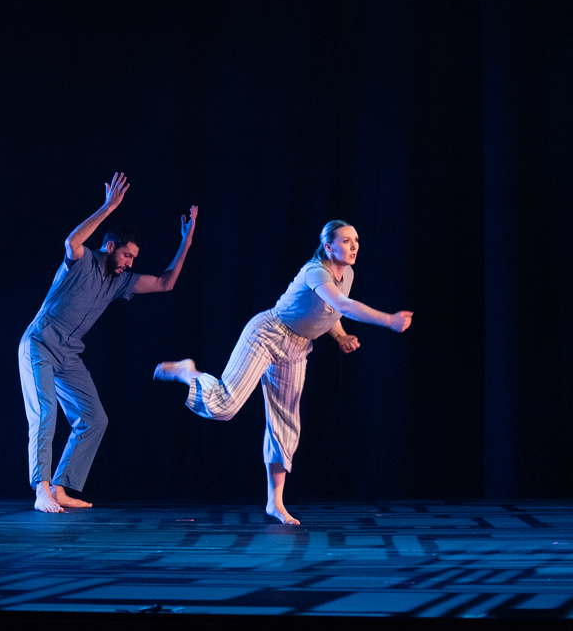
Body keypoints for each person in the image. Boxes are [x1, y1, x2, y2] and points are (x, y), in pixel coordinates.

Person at [154, 220, 413, 525]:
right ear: (328, 246)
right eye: (345, 241)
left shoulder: (348, 274)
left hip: (298, 348)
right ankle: (188, 372)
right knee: (224, 406)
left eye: (355, 240)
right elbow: (342, 302)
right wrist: (389, 320)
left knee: (286, 425)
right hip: (268, 334)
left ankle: (274, 503)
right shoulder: (315, 270)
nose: (353, 246)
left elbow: (332, 311)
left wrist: (341, 336)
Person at [22, 172, 198, 513]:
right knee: (45, 413)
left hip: (69, 355)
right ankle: (41, 489)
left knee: (95, 418)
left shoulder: (120, 283)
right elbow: (72, 240)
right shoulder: (82, 260)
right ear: (111, 247)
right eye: (128, 256)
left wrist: (186, 242)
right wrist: (108, 206)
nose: (131, 263)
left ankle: (59, 487)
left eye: (134, 259)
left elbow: (164, 283)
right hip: (40, 344)